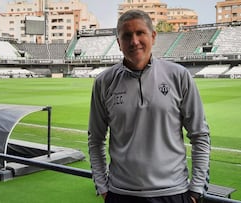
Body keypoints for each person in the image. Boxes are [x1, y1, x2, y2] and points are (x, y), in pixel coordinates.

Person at [87, 9, 210, 203]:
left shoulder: (178, 76)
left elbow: (199, 134)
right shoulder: (104, 82)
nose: (134, 41)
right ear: (119, 43)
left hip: (173, 193)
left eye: (140, 33)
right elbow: (95, 140)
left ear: (153, 36)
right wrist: (103, 187)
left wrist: (196, 190)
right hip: (121, 194)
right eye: (127, 36)